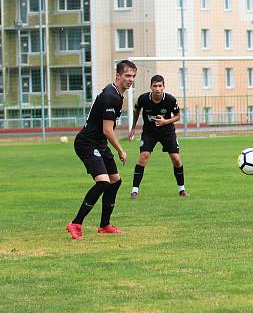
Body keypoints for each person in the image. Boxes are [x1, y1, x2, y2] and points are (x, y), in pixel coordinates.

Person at [66, 60, 137, 240]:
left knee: (115, 181)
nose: (131, 79)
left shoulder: (116, 94)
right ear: (118, 75)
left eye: (133, 76)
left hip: (99, 143)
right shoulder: (110, 96)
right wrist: (121, 150)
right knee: (104, 182)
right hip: (87, 143)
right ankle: (76, 223)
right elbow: (107, 130)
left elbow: (105, 131)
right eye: (127, 75)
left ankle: (105, 225)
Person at [127, 75, 186, 198]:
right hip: (149, 132)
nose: (157, 88)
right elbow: (136, 110)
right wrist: (133, 127)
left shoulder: (170, 100)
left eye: (160, 86)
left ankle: (182, 190)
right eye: (155, 86)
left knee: (176, 159)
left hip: (167, 132)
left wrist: (165, 122)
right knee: (143, 157)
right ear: (151, 87)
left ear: (164, 87)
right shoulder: (143, 99)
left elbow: (178, 116)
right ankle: (134, 190)